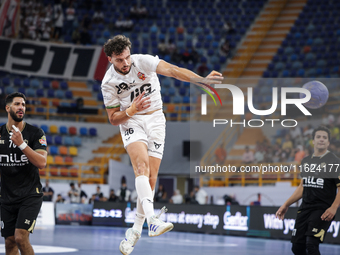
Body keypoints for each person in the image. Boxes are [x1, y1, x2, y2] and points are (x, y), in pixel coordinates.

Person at [101, 35, 222, 255]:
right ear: (110, 59)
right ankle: (152, 220)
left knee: (151, 178)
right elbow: (113, 118)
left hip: (156, 119)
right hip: (132, 120)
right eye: (119, 60)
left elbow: (174, 71)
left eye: (127, 57)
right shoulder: (108, 83)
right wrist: (130, 111)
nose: (125, 63)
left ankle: (135, 231)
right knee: (141, 168)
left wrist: (201, 80)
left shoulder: (143, 61)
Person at [276, 126, 340, 255]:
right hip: (305, 208)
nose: (321, 139)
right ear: (313, 141)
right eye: (318, 137)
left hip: (322, 209)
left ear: (328, 142)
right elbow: (302, 186)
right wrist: (286, 204)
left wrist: (334, 207)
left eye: (324, 138)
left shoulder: (334, 162)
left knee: (311, 245)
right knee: (297, 248)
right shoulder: (305, 161)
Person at [0, 92, 47, 254]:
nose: (21, 108)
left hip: (30, 195)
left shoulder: (35, 133)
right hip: (6, 196)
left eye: (23, 105)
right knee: (9, 242)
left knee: (20, 237)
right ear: (8, 108)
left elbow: (42, 163)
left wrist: (21, 145)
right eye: (17, 104)